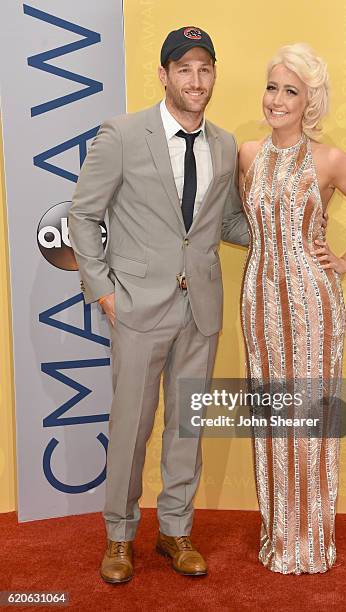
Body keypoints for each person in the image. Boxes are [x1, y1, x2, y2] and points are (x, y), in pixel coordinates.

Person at [68, 26, 249, 583]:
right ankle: (120, 536)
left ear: (214, 75)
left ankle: (175, 530)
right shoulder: (122, 134)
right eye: (184, 69)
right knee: (131, 426)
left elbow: (228, 223)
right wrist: (102, 291)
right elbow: (82, 215)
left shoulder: (224, 144)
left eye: (205, 69)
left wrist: (285, 227)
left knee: (187, 427)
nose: (196, 80)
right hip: (137, 309)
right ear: (165, 75)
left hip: (202, 309)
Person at [239, 43, 346, 574]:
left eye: (291, 91)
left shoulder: (330, 160)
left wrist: (345, 260)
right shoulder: (248, 155)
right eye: (273, 87)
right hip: (258, 302)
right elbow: (249, 225)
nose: (277, 99)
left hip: (312, 305)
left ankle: (312, 542)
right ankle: (278, 536)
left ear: (310, 103)